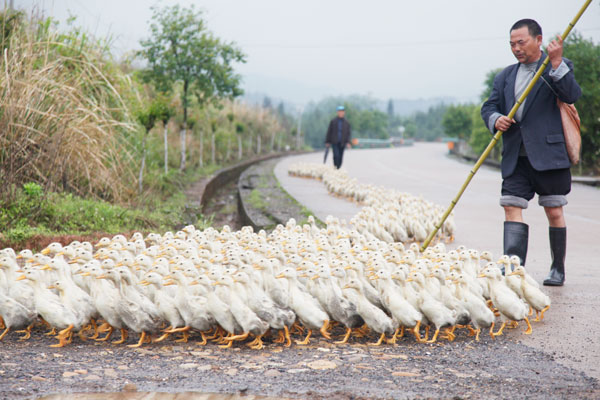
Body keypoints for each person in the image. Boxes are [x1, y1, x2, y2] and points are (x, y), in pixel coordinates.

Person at [481, 19, 581, 286]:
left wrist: (557, 62)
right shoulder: (504, 76)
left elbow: (571, 94)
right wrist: (496, 119)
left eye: (521, 42)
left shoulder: (557, 67)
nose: (516, 48)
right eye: (512, 44)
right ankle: (514, 269)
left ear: (538, 40)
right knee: (511, 205)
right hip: (516, 156)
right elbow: (488, 107)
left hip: (550, 155)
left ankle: (557, 269)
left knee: (554, 211)